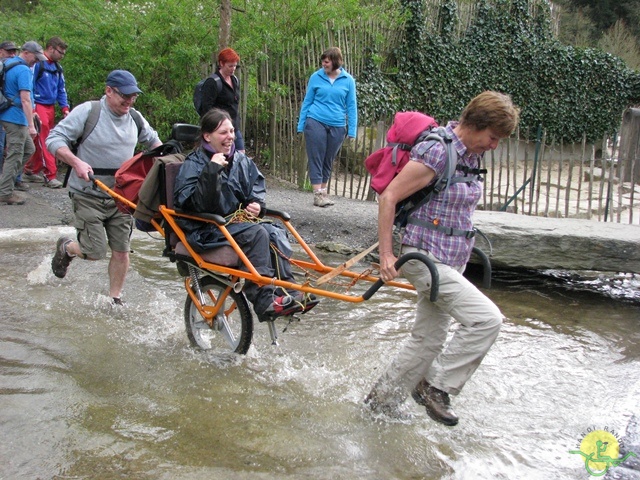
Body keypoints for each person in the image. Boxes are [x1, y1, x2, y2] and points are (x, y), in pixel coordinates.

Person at [365, 91, 520, 426]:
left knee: (429, 339)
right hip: (425, 260)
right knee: (487, 320)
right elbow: (389, 196)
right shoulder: (438, 151)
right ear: (476, 124)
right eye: (493, 137)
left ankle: (378, 404)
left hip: (451, 261)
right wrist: (387, 253)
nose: (494, 146)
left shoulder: (471, 155)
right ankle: (435, 386)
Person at [174, 108, 319, 322]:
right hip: (206, 228)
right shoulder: (193, 164)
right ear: (207, 136)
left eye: (232, 131)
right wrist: (212, 170)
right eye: (223, 132)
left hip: (234, 223)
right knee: (257, 233)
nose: (230, 137)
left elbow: (256, 187)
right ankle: (263, 300)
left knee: (274, 230)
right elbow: (191, 204)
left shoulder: (241, 161)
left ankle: (288, 290)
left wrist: (257, 205)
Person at [47, 70, 161, 304]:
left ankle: (114, 298)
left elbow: (155, 144)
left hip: (122, 197)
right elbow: (53, 139)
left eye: (133, 97)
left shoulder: (135, 118)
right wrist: (76, 161)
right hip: (88, 193)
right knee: (95, 251)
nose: (129, 101)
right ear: (109, 91)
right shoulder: (89, 112)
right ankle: (67, 248)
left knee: (121, 250)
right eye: (125, 95)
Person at [297, 47, 357, 208]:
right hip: (315, 120)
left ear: (336, 61)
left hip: (337, 125)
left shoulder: (348, 80)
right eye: (323, 61)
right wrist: (301, 124)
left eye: (327, 61)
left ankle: (323, 192)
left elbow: (351, 106)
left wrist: (352, 130)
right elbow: (307, 101)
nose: (324, 64)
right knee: (316, 156)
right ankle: (318, 194)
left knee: (328, 159)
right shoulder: (315, 77)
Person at [0, 41, 44, 205]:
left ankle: (6, 183)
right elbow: (25, 99)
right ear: (26, 52)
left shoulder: (8, 63)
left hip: (8, 114)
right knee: (15, 154)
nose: (36, 61)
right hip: (15, 117)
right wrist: (31, 124)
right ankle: (5, 192)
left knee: (28, 149)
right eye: (35, 57)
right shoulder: (23, 69)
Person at [23, 36, 70, 188]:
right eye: (60, 52)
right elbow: (29, 86)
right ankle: (50, 175)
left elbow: (61, 89)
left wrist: (65, 108)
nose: (62, 56)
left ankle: (30, 170)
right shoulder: (38, 65)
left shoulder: (57, 68)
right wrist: (33, 108)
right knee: (46, 140)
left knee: (38, 139)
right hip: (39, 106)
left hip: (50, 106)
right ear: (50, 48)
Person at [199, 48, 244, 152]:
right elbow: (206, 109)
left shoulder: (234, 80)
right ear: (221, 64)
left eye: (235, 66)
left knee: (241, 155)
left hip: (233, 126)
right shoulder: (213, 82)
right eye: (230, 66)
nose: (233, 69)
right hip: (218, 128)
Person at [0, 41, 19, 184]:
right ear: (1, 51)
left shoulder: (8, 68)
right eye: (9, 51)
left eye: (14, 52)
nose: (12, 54)